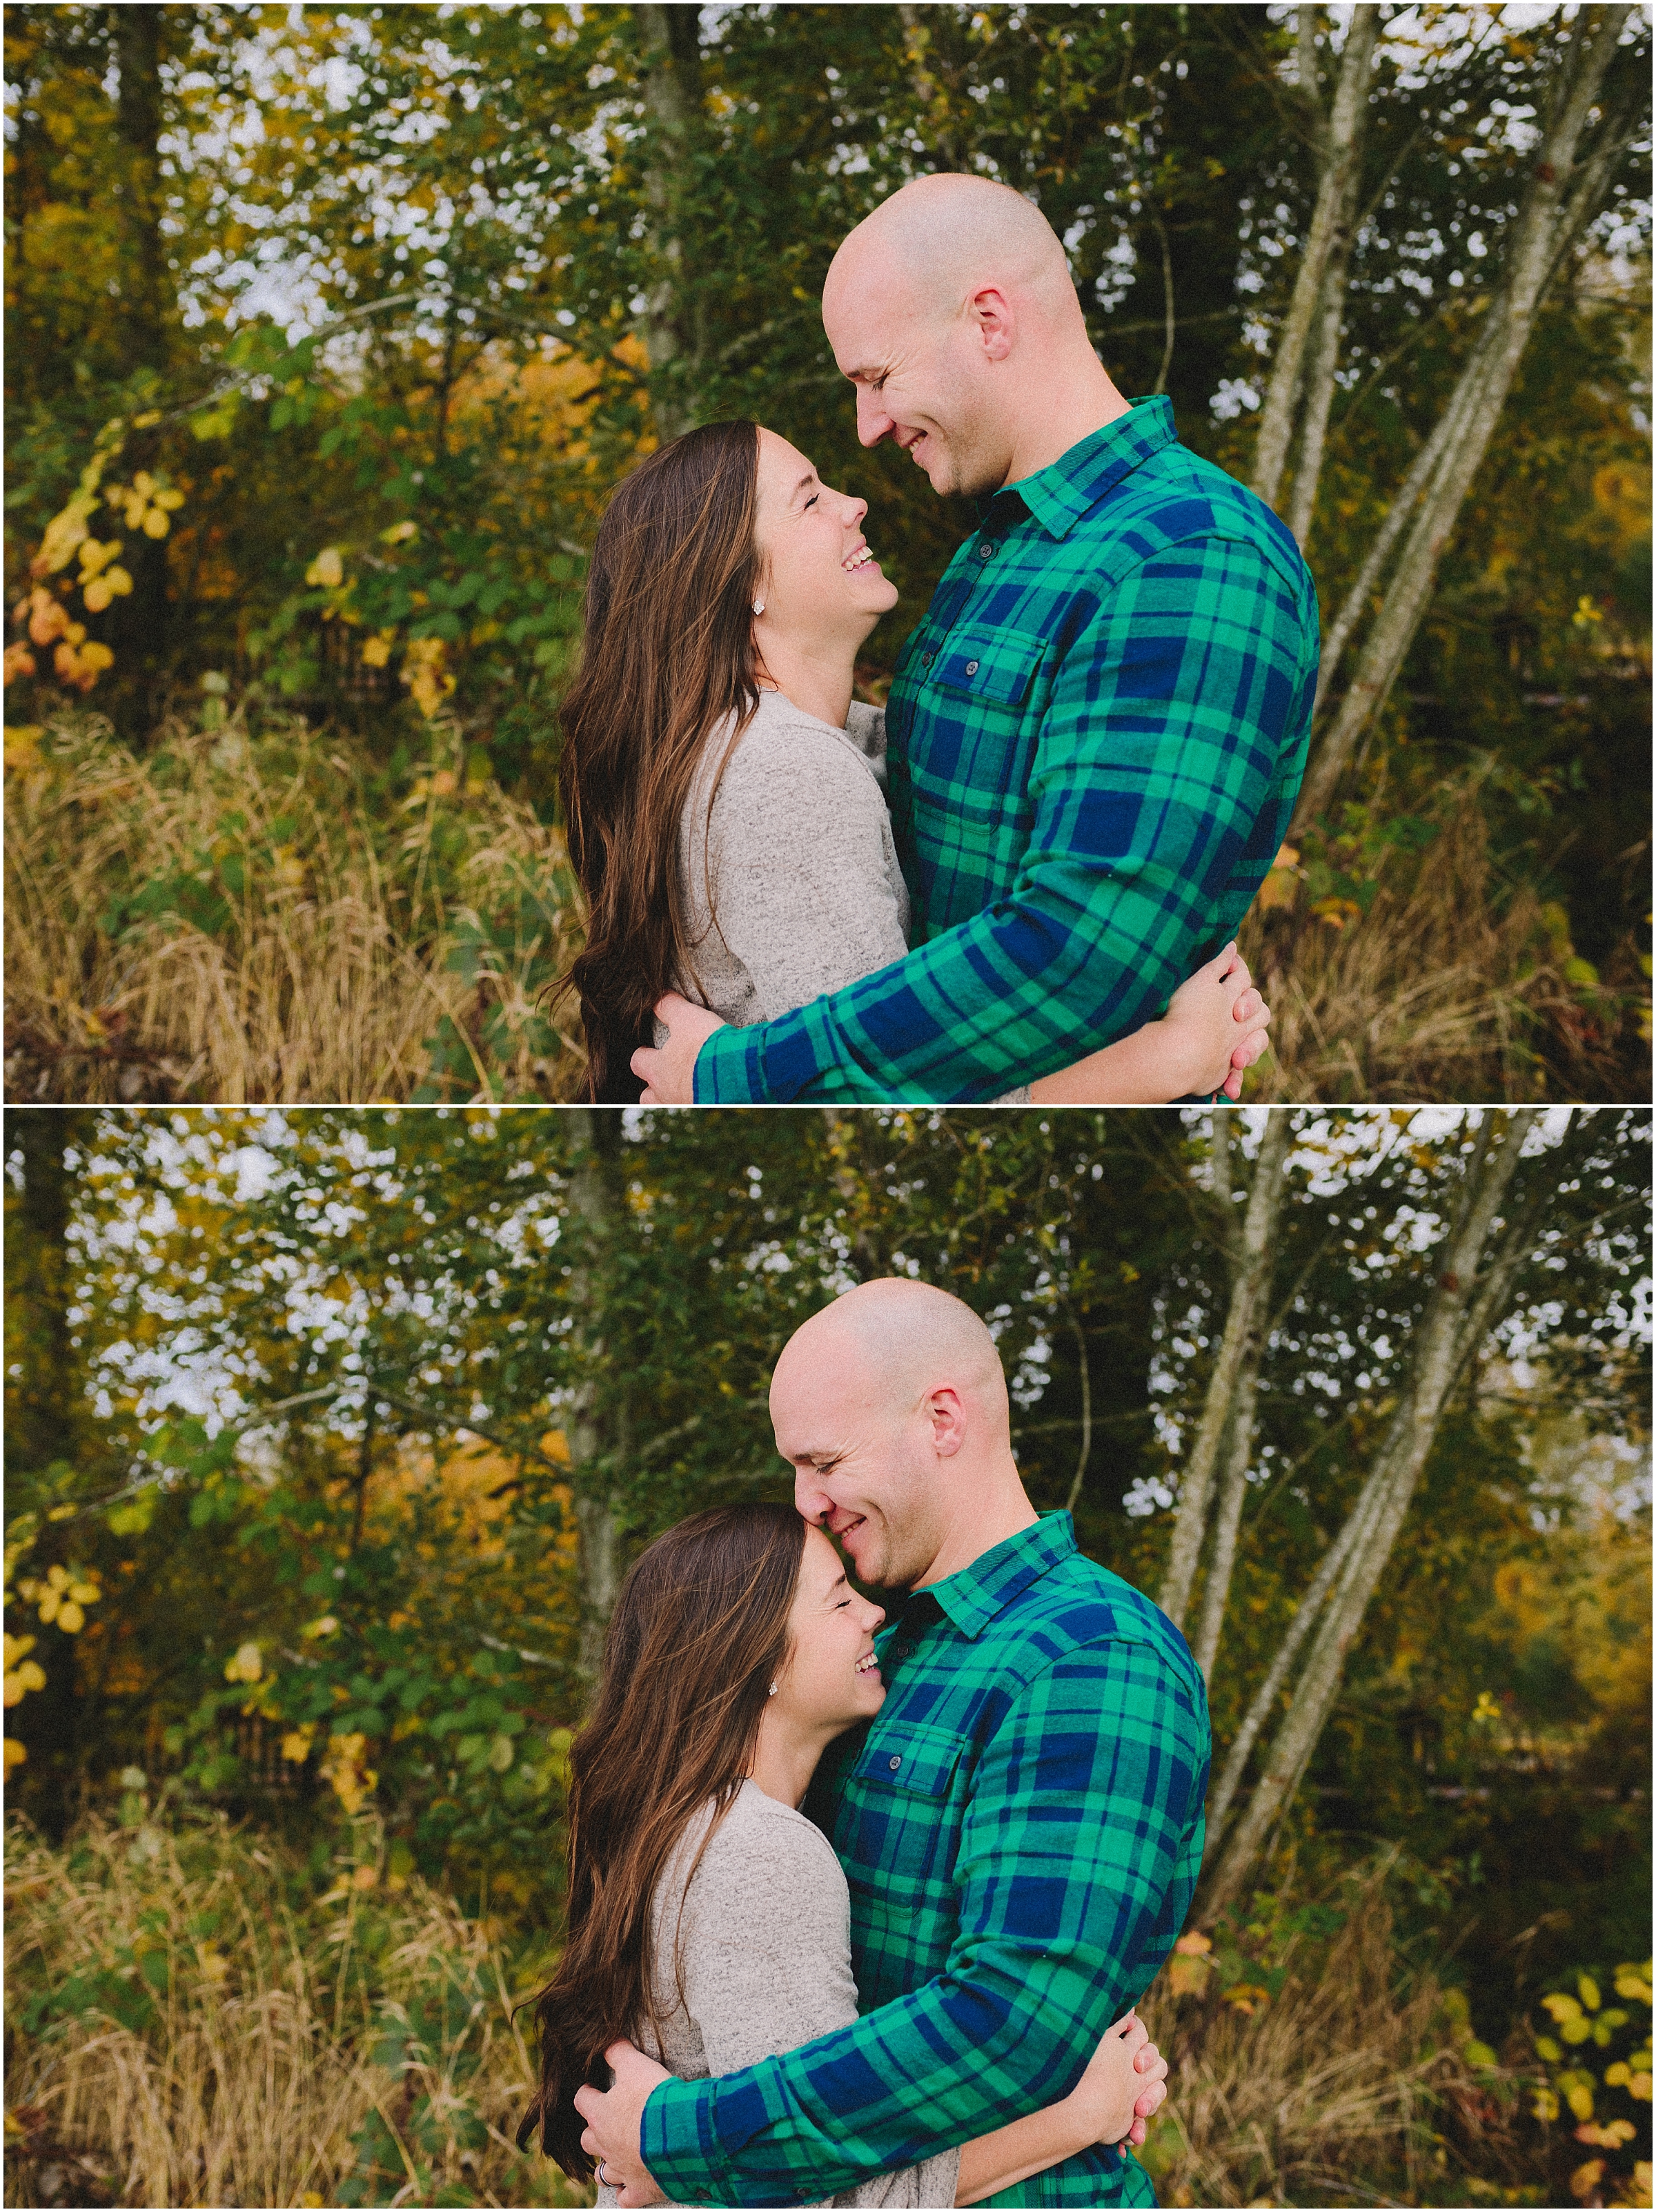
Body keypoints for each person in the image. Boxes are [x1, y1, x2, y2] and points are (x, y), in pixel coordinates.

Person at [629, 171, 1319, 1104]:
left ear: (989, 323)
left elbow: (1077, 951)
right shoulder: (1001, 551)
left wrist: (740, 1077)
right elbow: (891, 819)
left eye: (877, 377)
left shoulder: (1192, 554)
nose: (868, 429)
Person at [575, 1279, 1212, 2209]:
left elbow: (1012, 2019)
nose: (805, 1498)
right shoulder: (880, 1651)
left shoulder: (1088, 1653)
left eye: (824, 1459)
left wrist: (680, 2137)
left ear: (943, 1420)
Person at [558, 420, 1272, 1105]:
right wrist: (1170, 1059)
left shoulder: (797, 742)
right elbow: (881, 1089)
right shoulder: (784, 769)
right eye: (810, 499)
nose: (852, 503)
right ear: (745, 586)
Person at [520, 1505, 1170, 2207]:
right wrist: (1082, 2113)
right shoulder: (760, 1854)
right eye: (838, 1600)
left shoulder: (690, 1825)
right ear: (757, 1657)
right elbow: (816, 2197)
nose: (874, 1615)